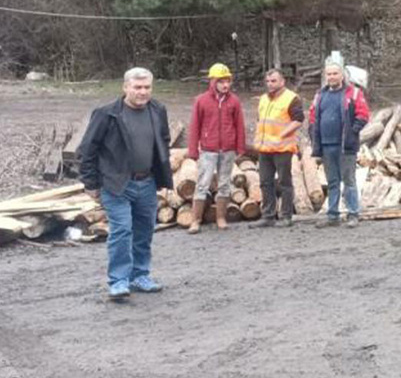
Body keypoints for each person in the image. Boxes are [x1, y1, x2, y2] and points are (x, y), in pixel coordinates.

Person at [78, 68, 174, 300]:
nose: (142, 92)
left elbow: (163, 141)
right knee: (122, 231)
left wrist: (162, 175)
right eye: (137, 87)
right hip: (116, 183)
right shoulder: (107, 114)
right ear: (125, 88)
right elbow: (88, 150)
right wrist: (91, 183)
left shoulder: (157, 110)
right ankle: (119, 280)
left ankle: (140, 275)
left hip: (147, 182)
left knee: (144, 231)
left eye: (147, 87)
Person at [186, 63, 246, 234]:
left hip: (228, 150)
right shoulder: (201, 100)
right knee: (202, 184)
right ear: (212, 82)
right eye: (221, 81)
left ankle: (221, 217)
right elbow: (195, 126)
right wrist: (193, 150)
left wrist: (240, 146)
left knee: (225, 184)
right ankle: (195, 220)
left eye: (227, 81)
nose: (225, 85)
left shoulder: (234, 101)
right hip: (208, 150)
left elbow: (239, 125)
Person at [309, 58, 370, 228]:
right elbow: (313, 117)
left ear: (342, 75)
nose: (332, 77)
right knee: (332, 181)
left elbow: (363, 115)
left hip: (345, 145)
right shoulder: (320, 95)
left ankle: (353, 214)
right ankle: (333, 215)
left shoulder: (354, 93)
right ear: (325, 76)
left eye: (335, 73)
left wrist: (352, 131)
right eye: (329, 74)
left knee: (349, 180)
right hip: (326, 145)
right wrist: (314, 136)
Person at [252, 68, 305, 227]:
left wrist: (282, 134)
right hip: (265, 148)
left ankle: (286, 216)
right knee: (265, 182)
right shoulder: (263, 99)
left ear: (282, 81)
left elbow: (298, 120)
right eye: (268, 81)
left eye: (273, 81)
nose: (270, 84)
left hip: (282, 148)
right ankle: (268, 215)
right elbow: (259, 120)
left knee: (284, 182)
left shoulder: (291, 98)